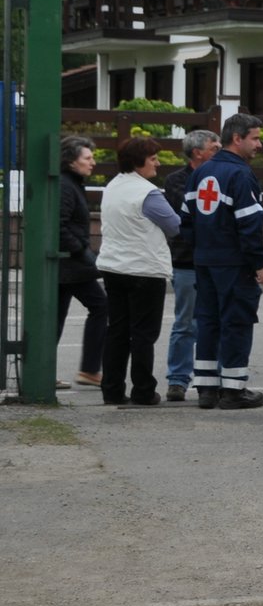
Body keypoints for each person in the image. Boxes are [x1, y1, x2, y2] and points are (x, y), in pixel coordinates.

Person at [181, 113, 263, 410]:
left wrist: (203, 249)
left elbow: (186, 221)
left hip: (204, 261)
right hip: (234, 264)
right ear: (237, 138)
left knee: (207, 321)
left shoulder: (200, 172)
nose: (260, 144)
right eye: (255, 138)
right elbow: (249, 225)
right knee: (237, 322)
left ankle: (206, 388)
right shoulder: (241, 175)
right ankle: (233, 390)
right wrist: (259, 264)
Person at [98, 137, 181, 406]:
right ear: (138, 161)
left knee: (117, 331)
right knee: (144, 334)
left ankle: (111, 389)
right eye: (153, 158)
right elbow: (174, 225)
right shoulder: (148, 193)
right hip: (145, 269)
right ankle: (143, 390)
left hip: (113, 267)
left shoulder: (112, 186)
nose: (158, 163)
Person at [162, 129, 219, 402]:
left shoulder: (222, 176)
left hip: (217, 260)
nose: (219, 150)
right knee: (185, 323)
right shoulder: (175, 181)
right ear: (197, 152)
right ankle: (177, 379)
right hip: (186, 261)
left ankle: (213, 378)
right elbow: (187, 214)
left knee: (215, 321)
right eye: (214, 147)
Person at [56, 135, 107, 390]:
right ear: (71, 161)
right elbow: (59, 223)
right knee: (101, 307)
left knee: (55, 317)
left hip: (69, 265)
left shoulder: (72, 183)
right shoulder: (67, 185)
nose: (93, 162)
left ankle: (48, 371)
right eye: (87, 158)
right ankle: (89, 369)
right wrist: (81, 251)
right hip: (72, 265)